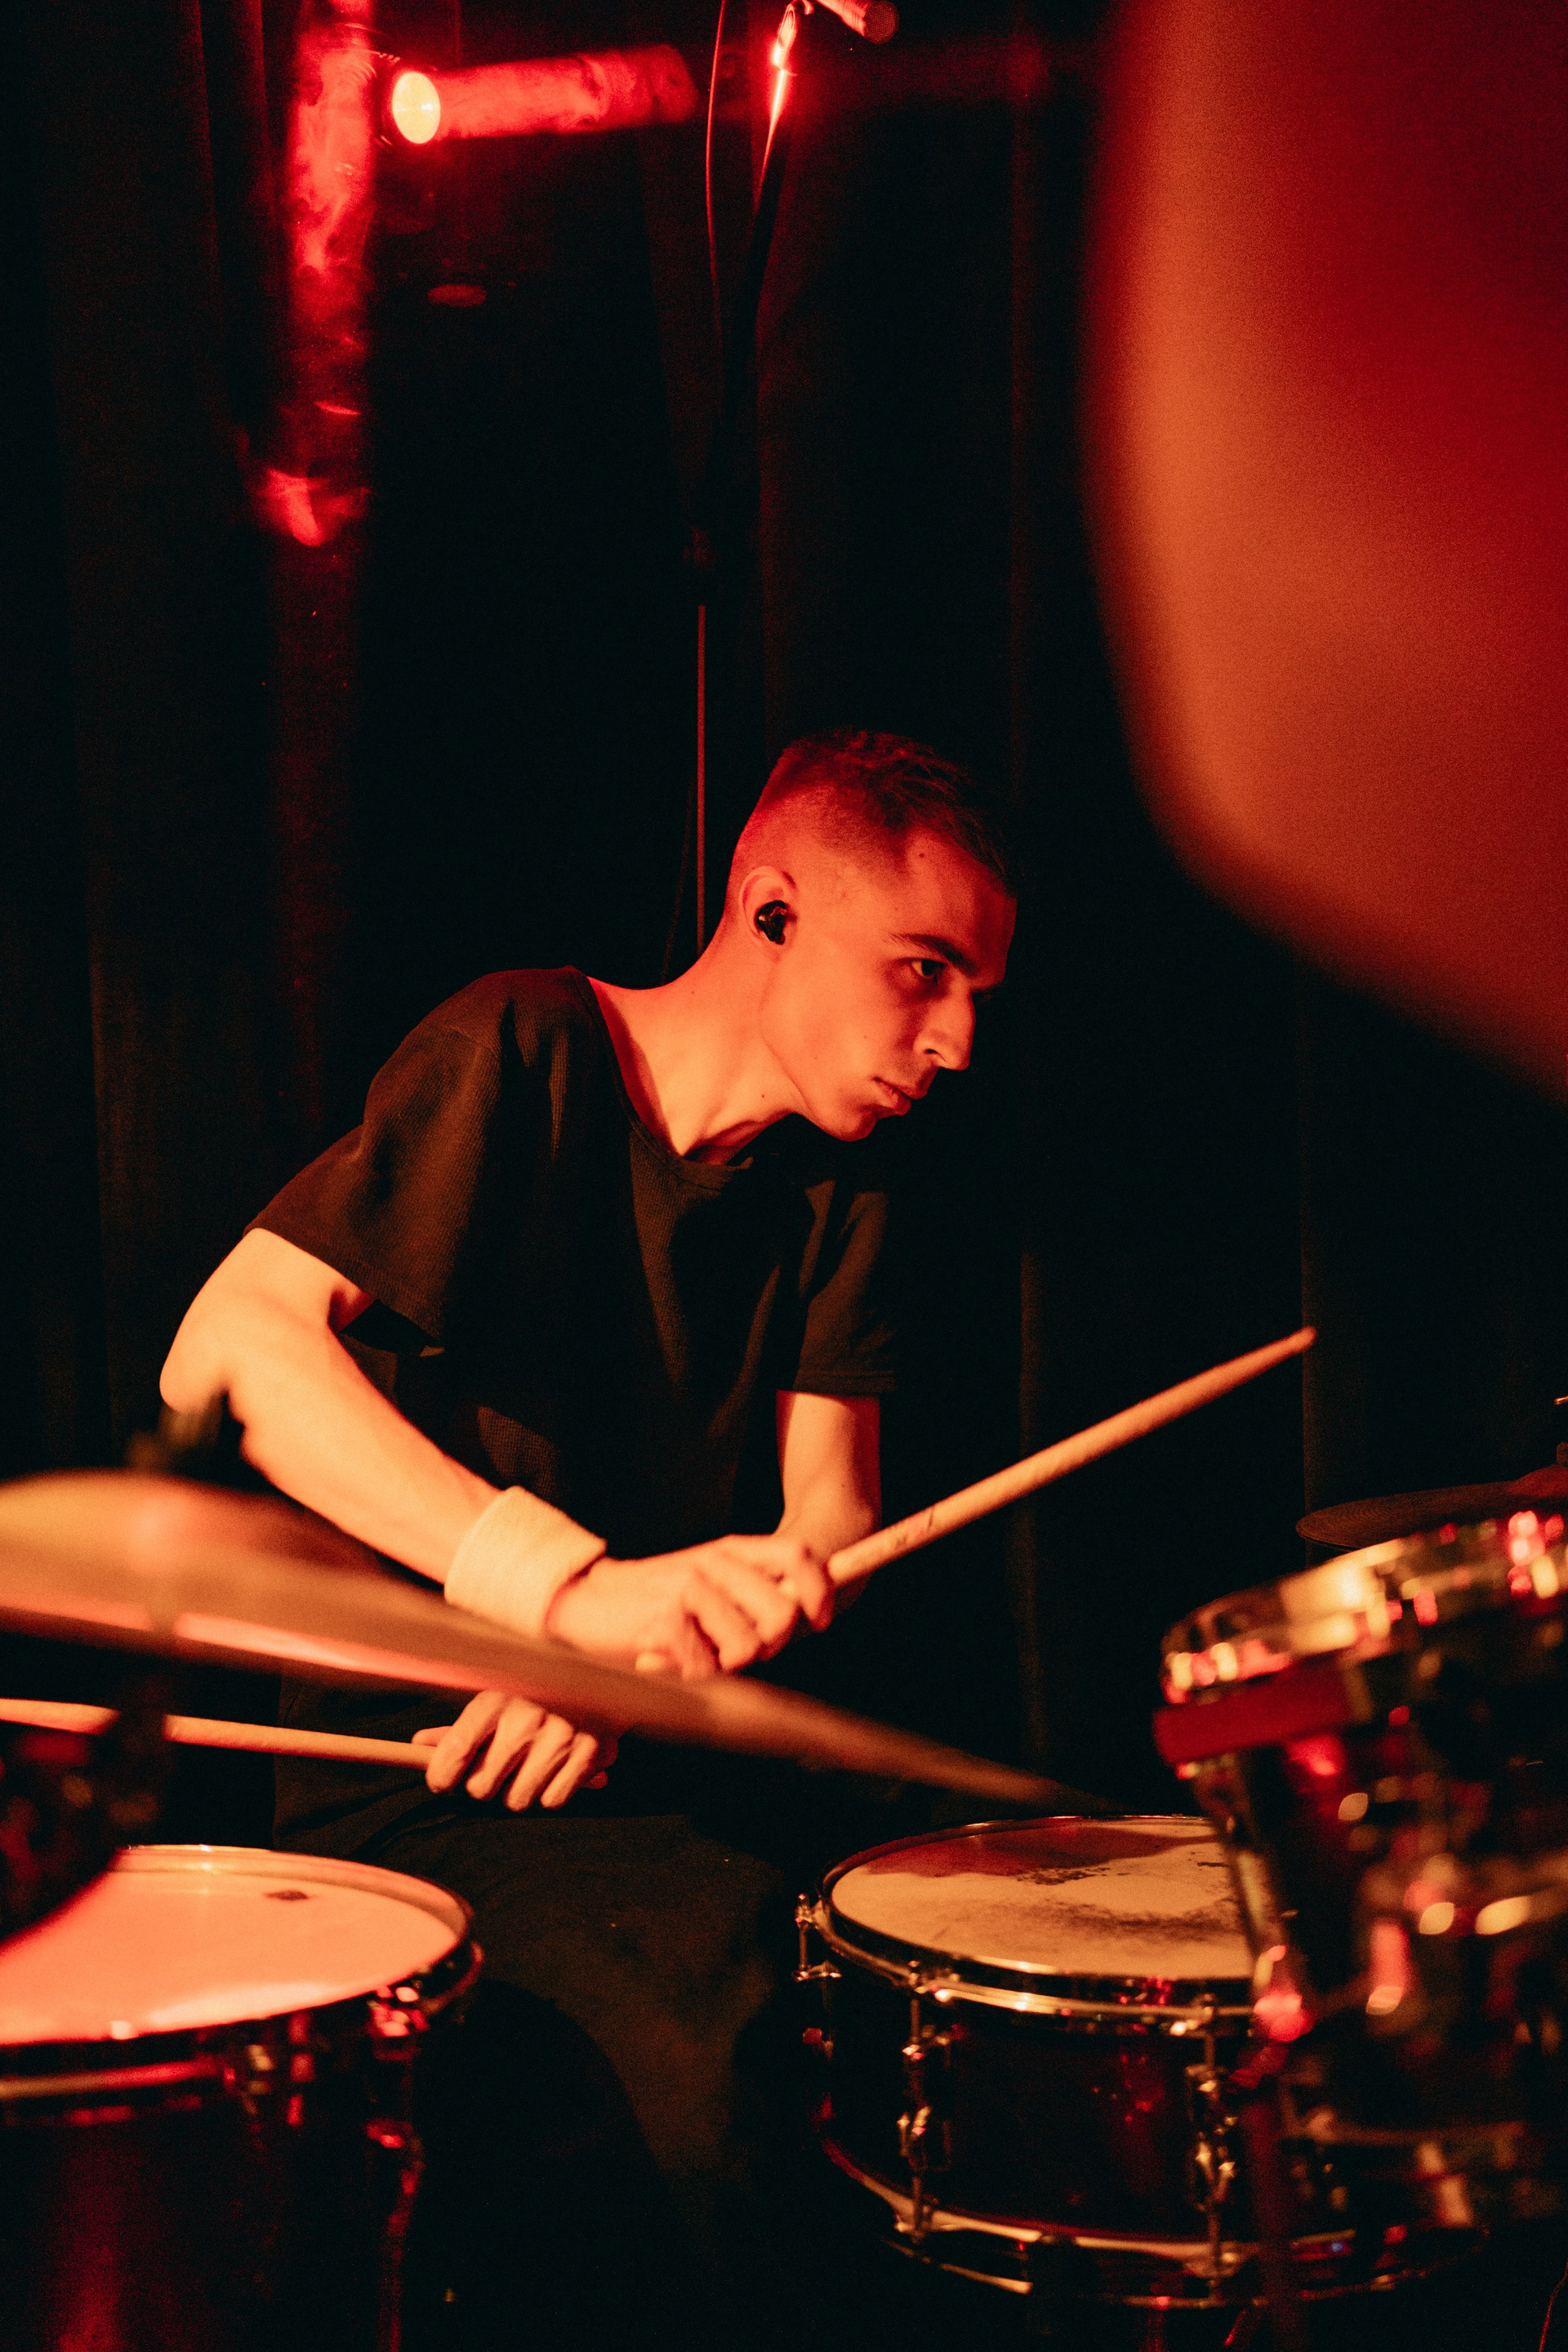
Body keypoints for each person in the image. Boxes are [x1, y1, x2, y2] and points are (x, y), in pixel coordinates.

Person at [161, 728, 1016, 2344]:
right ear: (772, 910)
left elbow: (829, 1518)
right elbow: (227, 1349)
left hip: (654, 1749)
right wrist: (566, 1598)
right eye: (925, 970)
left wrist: (627, 1668)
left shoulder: (846, 1186)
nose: (958, 1039)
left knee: (1027, 1907)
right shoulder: (524, 1047)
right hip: (426, 1774)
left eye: (978, 990)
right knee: (711, 2036)